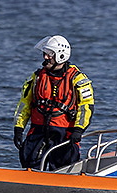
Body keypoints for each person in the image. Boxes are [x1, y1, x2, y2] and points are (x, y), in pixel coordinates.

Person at [13, 35, 94, 170]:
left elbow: (86, 107)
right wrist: (18, 128)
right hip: (38, 131)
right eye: (45, 53)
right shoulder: (37, 77)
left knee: (64, 165)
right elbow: (24, 105)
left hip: (64, 132)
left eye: (49, 54)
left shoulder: (77, 79)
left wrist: (78, 130)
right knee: (29, 160)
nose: (45, 57)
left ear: (60, 55)